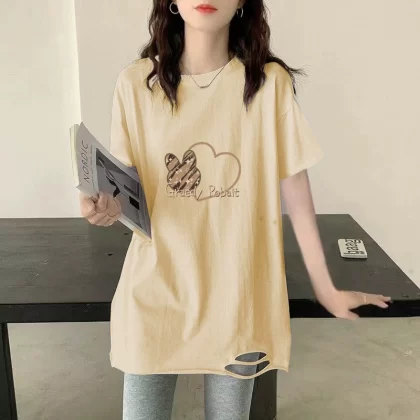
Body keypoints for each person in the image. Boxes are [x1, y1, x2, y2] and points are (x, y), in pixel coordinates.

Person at [79, 1, 392, 419]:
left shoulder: (267, 84)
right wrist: (105, 206)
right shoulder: (136, 85)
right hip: (154, 292)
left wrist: (325, 287)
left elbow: (296, 189)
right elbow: (126, 189)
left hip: (238, 297)